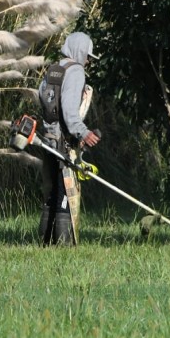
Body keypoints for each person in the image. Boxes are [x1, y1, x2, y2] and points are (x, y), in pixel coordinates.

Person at [37, 31, 101, 246]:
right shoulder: (75, 72)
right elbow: (69, 112)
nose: (88, 61)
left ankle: (45, 243)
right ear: (80, 51)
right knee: (65, 191)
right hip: (64, 140)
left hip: (47, 138)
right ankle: (63, 246)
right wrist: (84, 133)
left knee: (52, 192)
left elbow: (42, 97)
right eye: (88, 56)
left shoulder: (54, 69)